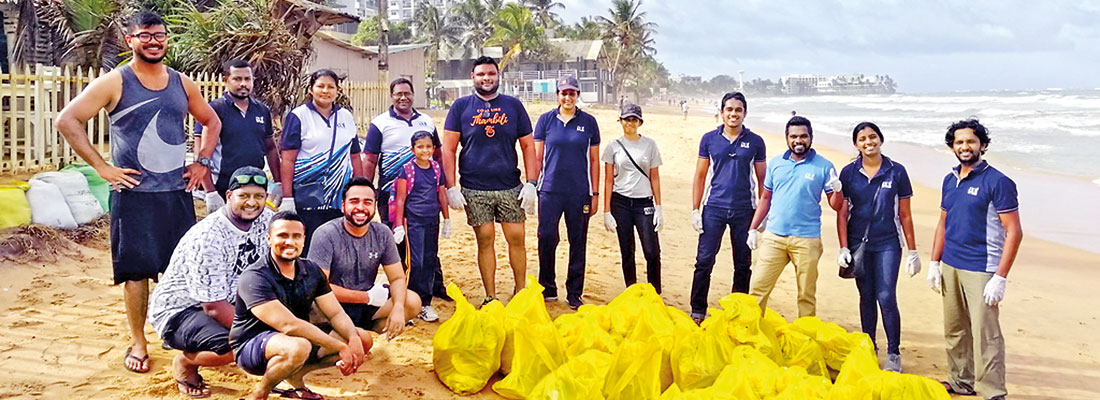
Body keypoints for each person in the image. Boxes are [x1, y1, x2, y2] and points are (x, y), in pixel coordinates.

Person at [54, 11, 222, 374]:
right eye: (144, 35)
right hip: (134, 195)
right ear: (129, 40)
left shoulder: (182, 82)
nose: (153, 41)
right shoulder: (115, 81)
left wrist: (202, 161)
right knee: (135, 273)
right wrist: (102, 167)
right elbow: (67, 120)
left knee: (178, 269)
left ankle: (171, 331)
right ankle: (138, 340)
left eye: (159, 35)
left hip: (176, 193)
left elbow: (211, 120)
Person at [148, 167, 273, 397]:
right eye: (243, 196)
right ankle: (185, 364)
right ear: (229, 196)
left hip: (231, 299)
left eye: (258, 196)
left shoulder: (266, 220)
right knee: (238, 345)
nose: (251, 203)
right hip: (183, 309)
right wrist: (263, 331)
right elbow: (213, 307)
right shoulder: (208, 237)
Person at [230, 212, 371, 400]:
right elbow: (289, 325)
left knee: (362, 339)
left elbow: (335, 313)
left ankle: (296, 379)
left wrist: (352, 338)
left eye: (296, 236)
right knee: (299, 346)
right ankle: (260, 393)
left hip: (295, 339)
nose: (290, 241)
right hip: (252, 345)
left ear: (304, 240)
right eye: (282, 235)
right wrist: (339, 346)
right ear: (269, 239)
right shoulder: (255, 276)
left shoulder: (311, 270)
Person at [928, 119, 1021, 400]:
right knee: (955, 329)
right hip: (951, 265)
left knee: (986, 335)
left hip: (982, 268)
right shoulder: (949, 179)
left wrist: (1000, 277)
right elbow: (943, 222)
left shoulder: (998, 182)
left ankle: (993, 391)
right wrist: (934, 262)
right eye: (959, 142)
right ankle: (960, 381)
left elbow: (1014, 231)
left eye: (970, 141)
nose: (964, 146)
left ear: (982, 145)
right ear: (952, 146)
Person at [441, 56, 537, 304]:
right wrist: (451, 187)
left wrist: (531, 183)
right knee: (485, 241)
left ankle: (520, 292)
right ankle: (490, 296)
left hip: (510, 186)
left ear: (498, 76)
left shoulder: (513, 106)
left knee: (516, 239)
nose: (487, 78)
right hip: (474, 188)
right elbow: (448, 149)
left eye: (491, 74)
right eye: (481, 74)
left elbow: (528, 146)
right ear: (473, 77)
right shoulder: (460, 107)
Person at [834, 122, 920, 372]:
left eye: (873, 137)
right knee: (866, 297)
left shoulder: (896, 171)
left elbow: (905, 214)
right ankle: (869, 348)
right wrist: (843, 247)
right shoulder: (848, 173)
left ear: (881, 139)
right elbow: (841, 213)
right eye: (862, 139)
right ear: (856, 144)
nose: (868, 142)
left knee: (886, 296)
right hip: (858, 244)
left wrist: (913, 251)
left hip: (888, 243)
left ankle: (894, 353)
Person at [746, 116, 844, 318]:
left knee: (806, 296)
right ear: (787, 138)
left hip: (806, 240)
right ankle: (750, 335)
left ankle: (804, 341)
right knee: (757, 291)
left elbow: (836, 205)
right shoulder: (775, 163)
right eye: (794, 136)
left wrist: (838, 190)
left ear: (811, 137)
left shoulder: (824, 166)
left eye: (803, 136)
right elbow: (766, 197)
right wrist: (753, 228)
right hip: (774, 237)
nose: (798, 141)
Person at [361, 77, 449, 302]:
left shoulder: (426, 121)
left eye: (407, 93)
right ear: (391, 96)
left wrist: (446, 186)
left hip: (424, 194)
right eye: (398, 93)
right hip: (391, 195)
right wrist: (366, 189)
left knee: (428, 243)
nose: (403, 97)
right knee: (400, 243)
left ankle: (434, 286)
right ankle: (404, 291)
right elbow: (370, 159)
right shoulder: (380, 123)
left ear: (413, 94)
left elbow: (437, 154)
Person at [688, 92, 766, 321]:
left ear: (745, 113)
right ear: (722, 113)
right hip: (714, 208)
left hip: (745, 210)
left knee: (743, 263)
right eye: (729, 109)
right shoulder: (709, 139)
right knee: (704, 260)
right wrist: (695, 209)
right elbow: (700, 176)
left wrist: (762, 215)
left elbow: (763, 181)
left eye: (738, 110)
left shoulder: (755, 141)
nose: (733, 114)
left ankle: (737, 310)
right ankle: (698, 309)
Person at [309, 177, 421, 333]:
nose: (360, 207)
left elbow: (397, 277)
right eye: (354, 201)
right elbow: (318, 288)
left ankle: (371, 331)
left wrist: (398, 308)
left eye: (367, 202)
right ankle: (345, 334)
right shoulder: (326, 234)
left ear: (375, 206)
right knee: (317, 309)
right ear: (343, 206)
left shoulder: (382, 233)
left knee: (412, 301)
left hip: (367, 303)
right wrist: (367, 297)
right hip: (333, 305)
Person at [277, 69, 365, 256]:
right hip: (308, 198)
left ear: (337, 91)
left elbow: (355, 155)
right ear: (311, 89)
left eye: (330, 87)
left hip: (338, 198)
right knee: (309, 251)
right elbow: (288, 159)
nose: (325, 91)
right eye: (321, 86)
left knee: (338, 250)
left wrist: (360, 189)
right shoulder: (299, 116)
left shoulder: (346, 117)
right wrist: (287, 197)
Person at [533, 75, 600, 309]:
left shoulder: (589, 122)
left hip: (579, 192)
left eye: (572, 93)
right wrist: (532, 184)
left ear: (577, 95)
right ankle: (547, 287)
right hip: (550, 191)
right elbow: (538, 157)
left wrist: (595, 194)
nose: (568, 97)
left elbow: (594, 160)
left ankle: (574, 293)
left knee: (578, 240)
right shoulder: (545, 121)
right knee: (547, 238)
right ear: (558, 95)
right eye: (564, 93)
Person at [194, 59, 281, 212]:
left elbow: (271, 148)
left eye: (247, 79)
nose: (243, 84)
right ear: (225, 80)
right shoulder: (213, 110)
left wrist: (279, 182)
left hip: (255, 185)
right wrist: (210, 192)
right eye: (237, 79)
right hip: (223, 187)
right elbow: (201, 154)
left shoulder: (261, 110)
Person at [389, 132, 453, 321]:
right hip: (414, 222)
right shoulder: (407, 170)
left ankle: (425, 303)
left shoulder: (436, 169)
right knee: (414, 263)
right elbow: (401, 200)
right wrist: (399, 225)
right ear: (413, 150)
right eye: (420, 147)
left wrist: (447, 219)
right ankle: (409, 302)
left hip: (432, 220)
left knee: (429, 261)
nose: (425, 150)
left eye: (428, 146)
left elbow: (441, 194)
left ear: (433, 148)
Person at [601, 103, 663, 293]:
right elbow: (609, 180)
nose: (630, 123)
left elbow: (654, 176)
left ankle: (655, 291)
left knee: (652, 251)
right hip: (620, 203)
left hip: (644, 203)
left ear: (640, 122)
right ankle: (631, 290)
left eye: (634, 119)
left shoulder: (649, 144)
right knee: (627, 251)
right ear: (620, 121)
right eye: (626, 119)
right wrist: (606, 211)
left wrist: (659, 207)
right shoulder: (613, 146)